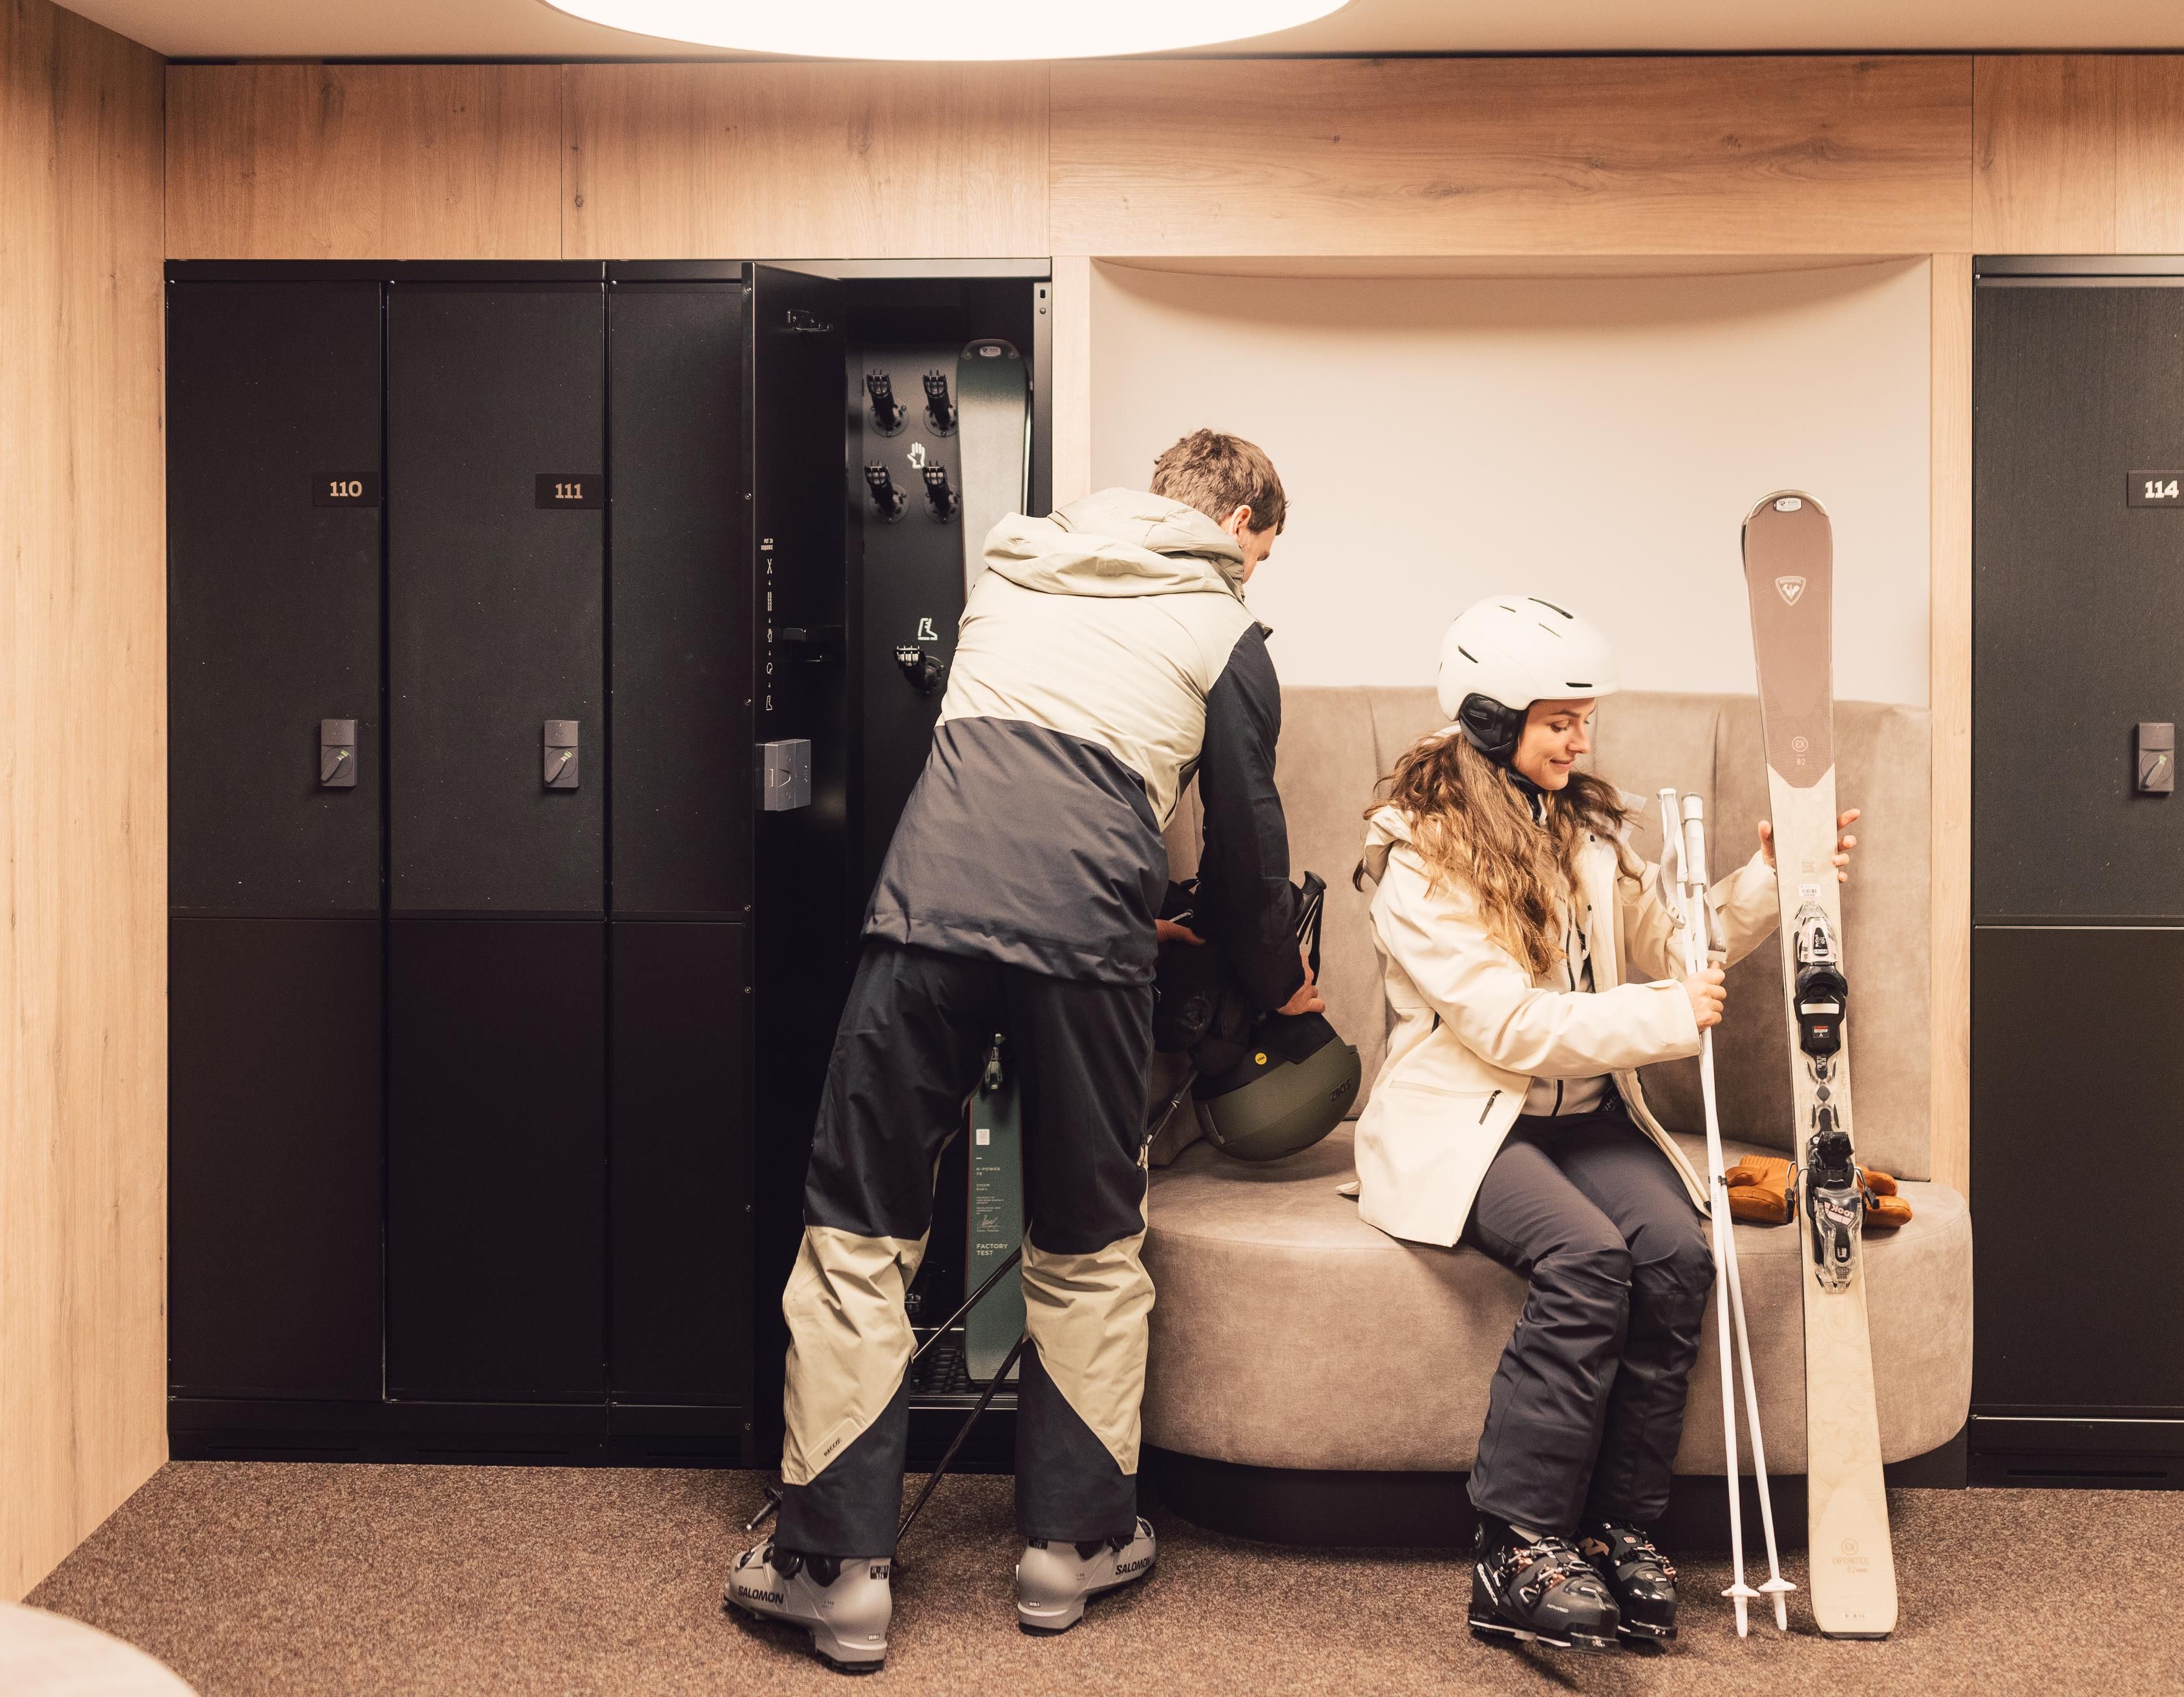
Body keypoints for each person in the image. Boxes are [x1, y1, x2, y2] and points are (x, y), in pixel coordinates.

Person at [725, 431, 1321, 1671]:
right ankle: (1072, 1547)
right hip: (1083, 939)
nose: (1255, 574)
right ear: (1247, 519)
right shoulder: (1227, 633)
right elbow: (1250, 852)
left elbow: (1011, 771)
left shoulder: (1013, 573)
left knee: (858, 1228)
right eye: (1263, 551)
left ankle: (831, 1569)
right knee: (1089, 1235)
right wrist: (1276, 984)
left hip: (928, 909)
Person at [1351, 595, 1854, 1653]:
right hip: (1477, 1118)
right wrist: (1667, 1019)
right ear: (1490, 721)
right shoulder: (1419, 855)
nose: (1582, 741)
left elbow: (1681, 941)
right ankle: (1517, 1548)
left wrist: (1776, 877)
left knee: (1676, 1252)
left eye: (1586, 719)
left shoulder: (1581, 829)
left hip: (1586, 1112)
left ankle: (1620, 1532)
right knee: (1587, 1259)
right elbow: (1502, 1024)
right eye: (1559, 722)